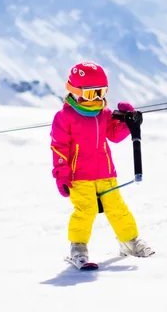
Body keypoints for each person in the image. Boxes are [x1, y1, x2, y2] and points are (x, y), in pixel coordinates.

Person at [50, 61, 153, 265]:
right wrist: (61, 175)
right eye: (91, 93)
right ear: (74, 91)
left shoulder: (103, 114)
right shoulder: (64, 117)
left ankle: (129, 241)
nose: (97, 98)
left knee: (117, 208)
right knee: (85, 211)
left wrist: (126, 121)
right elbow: (59, 148)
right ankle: (77, 246)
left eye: (101, 92)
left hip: (106, 173)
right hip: (79, 176)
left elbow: (114, 135)